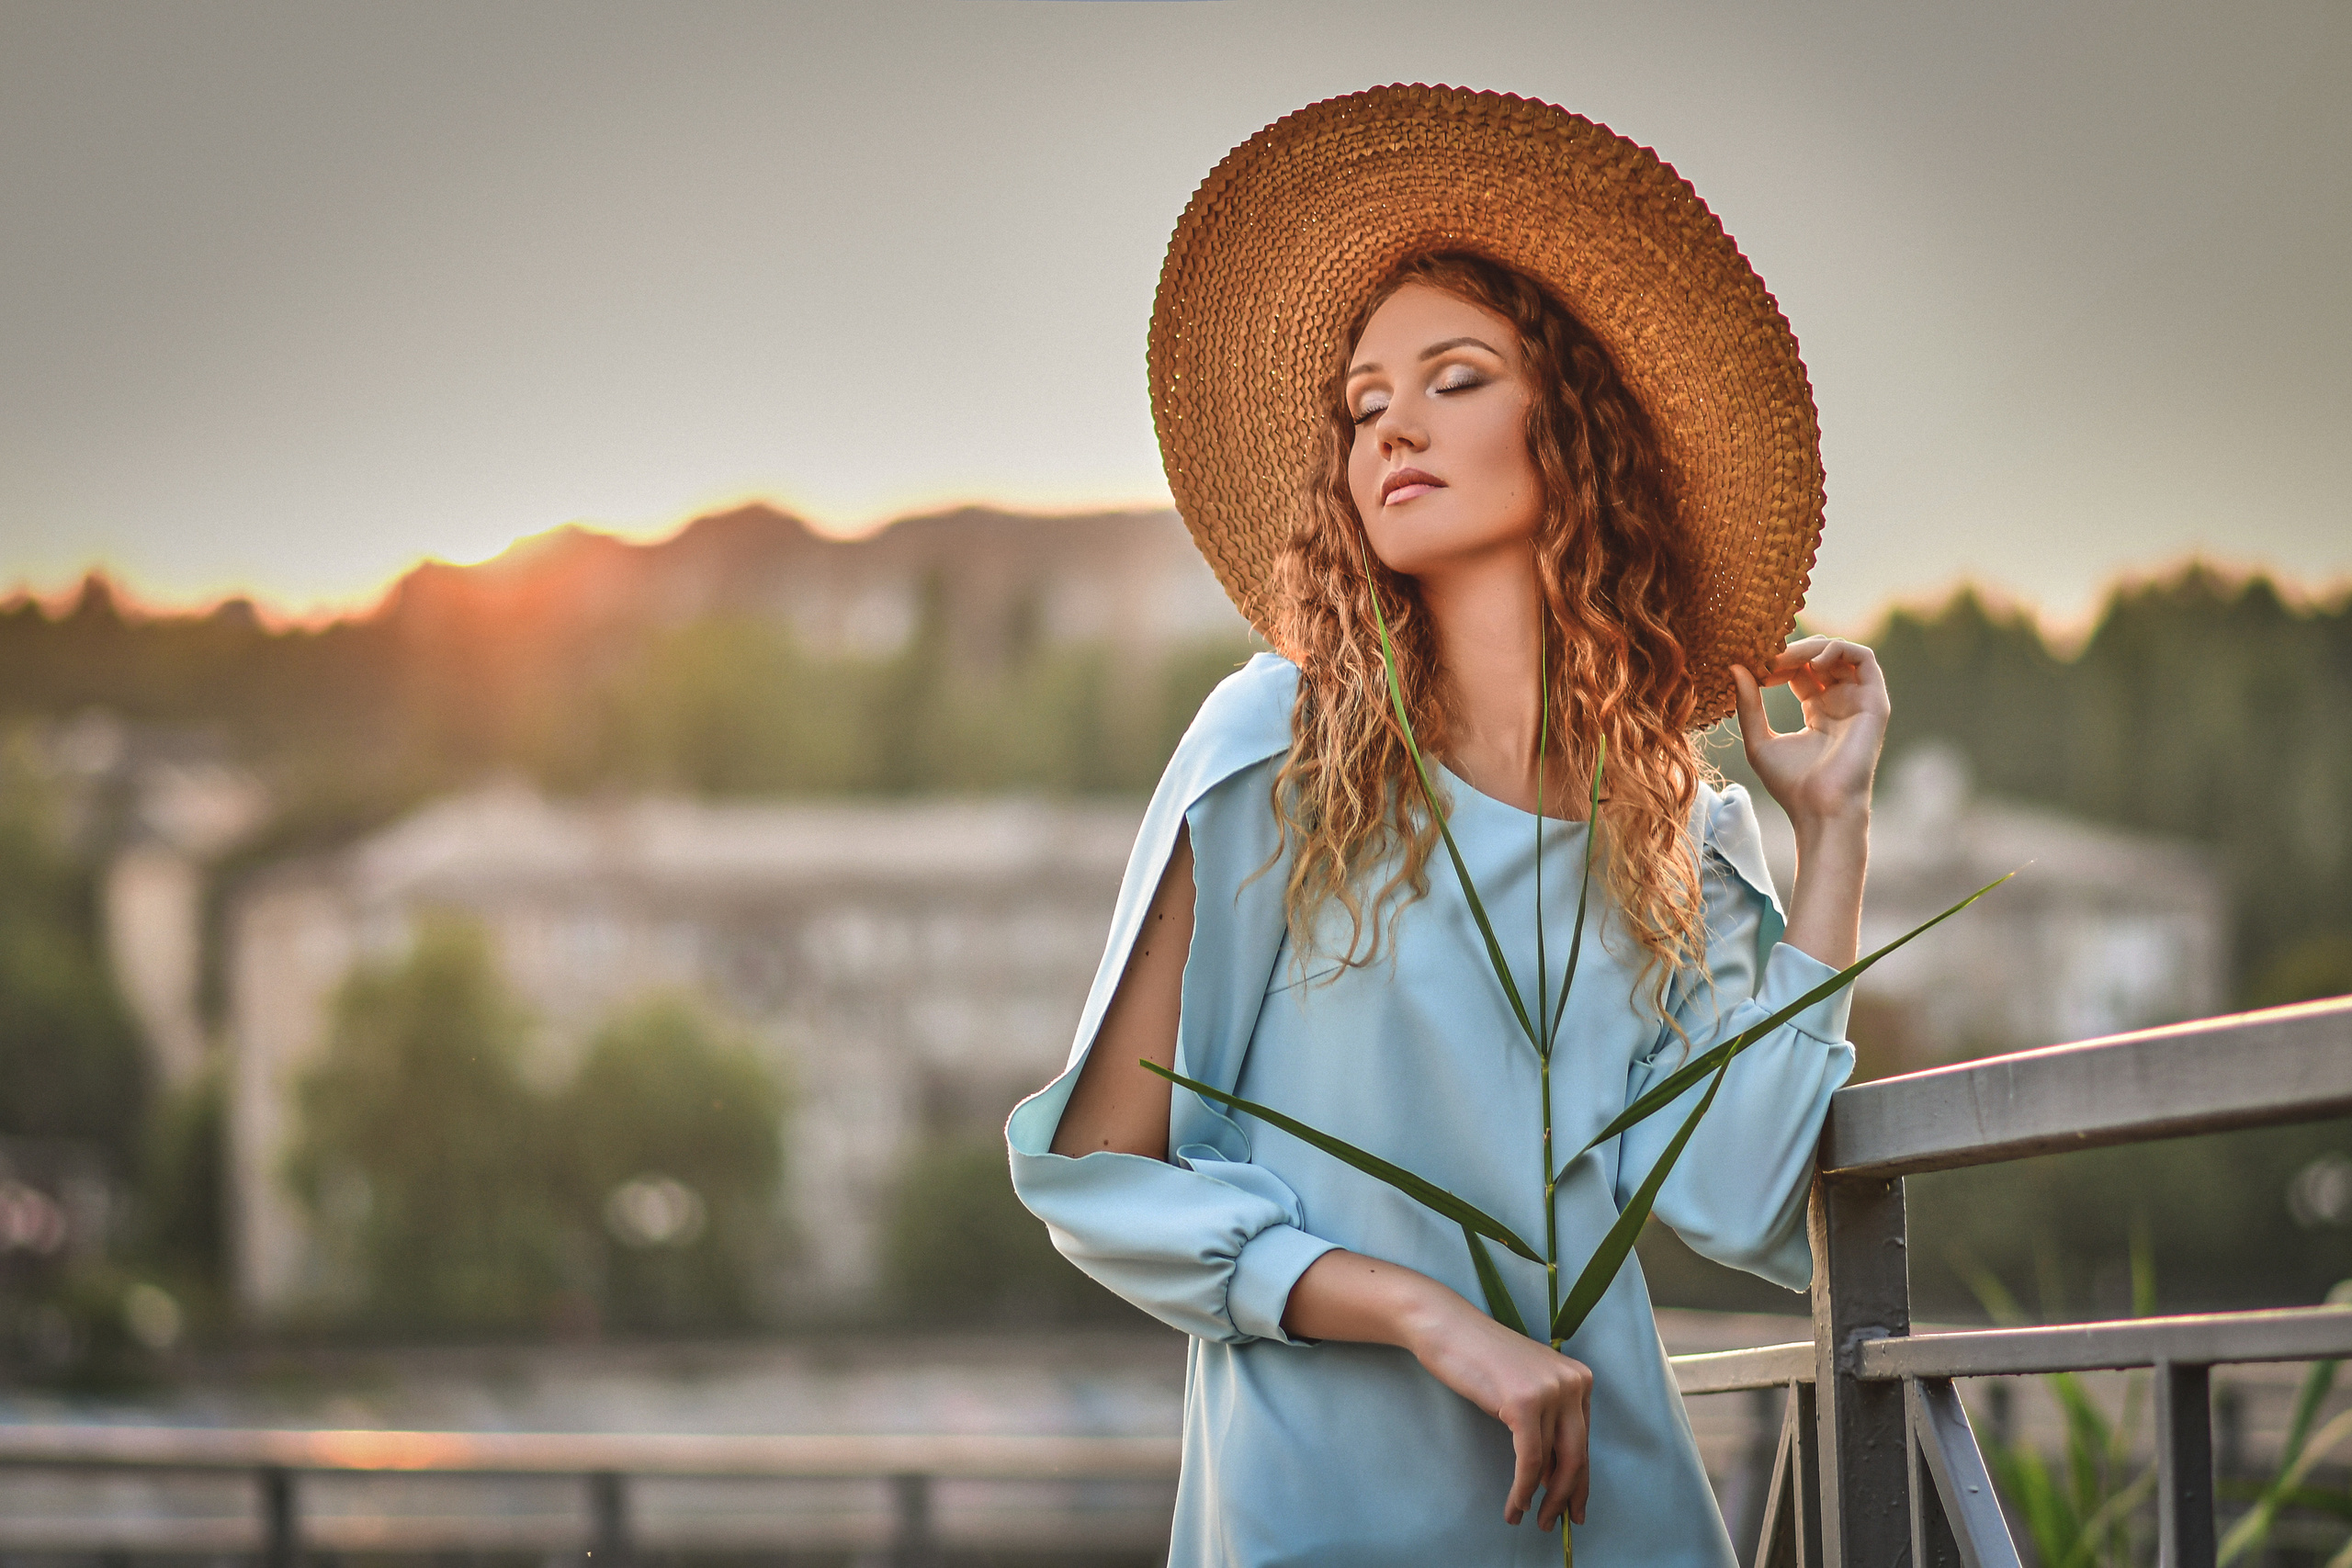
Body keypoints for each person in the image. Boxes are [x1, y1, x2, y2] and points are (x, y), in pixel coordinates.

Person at [1007, 86, 1888, 1567]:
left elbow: (1744, 1199)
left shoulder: (1674, 826)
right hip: (1317, 1523)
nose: (1392, 424)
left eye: (1455, 378)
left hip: (1614, 1525)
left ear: (1577, 432)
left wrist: (1835, 834)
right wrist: (1426, 1316)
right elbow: (1100, 1172)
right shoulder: (1271, 753)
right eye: (1362, 405)